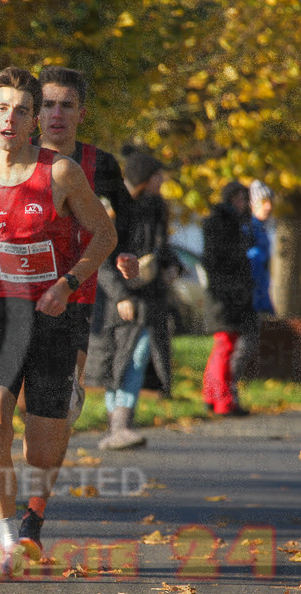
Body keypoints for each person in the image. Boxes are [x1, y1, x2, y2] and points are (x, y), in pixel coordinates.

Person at [0, 67, 118, 581]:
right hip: (0, 315)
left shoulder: (60, 173)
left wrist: (70, 282)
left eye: (22, 110)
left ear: (33, 122)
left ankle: (64, 406)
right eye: (2, 108)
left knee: (39, 447)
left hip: (55, 315)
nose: (10, 118)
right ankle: (10, 543)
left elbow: (103, 235)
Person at [34, 66, 139, 454]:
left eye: (66, 105)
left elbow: (127, 216)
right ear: (34, 113)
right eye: (47, 105)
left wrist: (126, 250)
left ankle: (47, 456)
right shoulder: (13, 160)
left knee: (62, 395)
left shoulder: (101, 164)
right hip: (20, 288)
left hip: (78, 289)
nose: (56, 114)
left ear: (82, 114)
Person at [88, 147, 178, 450]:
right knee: (123, 359)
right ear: (144, 178)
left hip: (149, 299)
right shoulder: (112, 210)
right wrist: (121, 295)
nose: (162, 180)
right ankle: (119, 425)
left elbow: (161, 245)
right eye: (157, 176)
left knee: (137, 356)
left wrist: (171, 267)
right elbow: (100, 258)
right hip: (119, 301)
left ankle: (122, 423)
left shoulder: (156, 207)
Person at [201, 180, 255, 416]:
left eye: (245, 199)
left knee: (224, 345)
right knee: (225, 346)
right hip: (225, 296)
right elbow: (218, 262)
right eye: (239, 199)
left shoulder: (238, 224)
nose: (243, 204)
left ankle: (214, 396)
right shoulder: (223, 225)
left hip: (232, 294)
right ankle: (221, 400)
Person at [231, 179, 275, 386]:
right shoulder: (247, 229)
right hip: (246, 297)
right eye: (263, 202)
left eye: (270, 202)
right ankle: (226, 387)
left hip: (256, 296)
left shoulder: (261, 229)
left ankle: (229, 388)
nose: (268, 207)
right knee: (239, 346)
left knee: (246, 345)